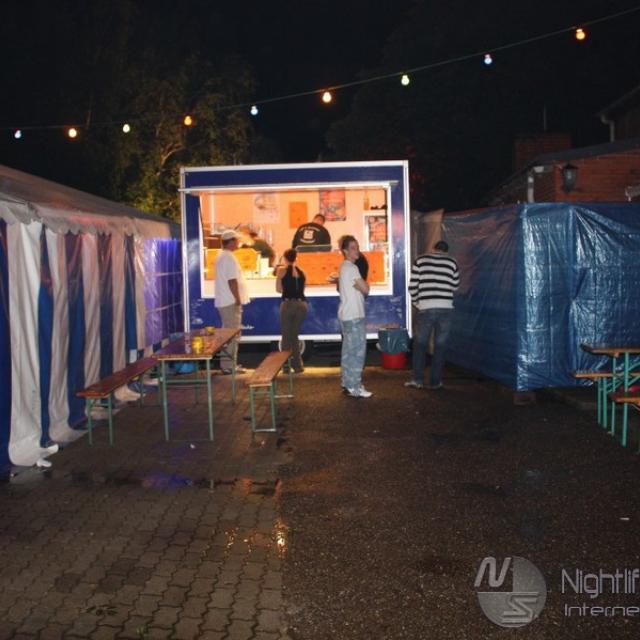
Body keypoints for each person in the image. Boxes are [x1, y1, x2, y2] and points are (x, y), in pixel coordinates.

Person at [405, 240, 460, 390]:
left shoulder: (420, 261)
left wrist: (418, 303)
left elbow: (412, 287)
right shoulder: (452, 262)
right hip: (446, 309)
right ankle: (435, 382)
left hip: (425, 309)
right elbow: (455, 286)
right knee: (440, 346)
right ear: (446, 251)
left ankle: (418, 380)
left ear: (433, 249)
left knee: (420, 345)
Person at [338, 235, 372, 398]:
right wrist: (363, 286)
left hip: (347, 314)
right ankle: (355, 386)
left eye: (357, 247)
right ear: (345, 251)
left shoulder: (344, 267)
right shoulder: (352, 268)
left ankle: (347, 383)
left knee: (348, 352)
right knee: (357, 353)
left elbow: (360, 287)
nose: (356, 250)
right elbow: (366, 289)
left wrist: (360, 286)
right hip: (355, 315)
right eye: (353, 248)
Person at [214, 230, 250, 373]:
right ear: (231, 241)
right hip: (230, 301)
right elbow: (232, 281)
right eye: (236, 240)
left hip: (225, 300)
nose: (238, 243)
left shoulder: (222, 255)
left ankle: (227, 364)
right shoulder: (228, 257)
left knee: (227, 334)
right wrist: (238, 299)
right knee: (233, 334)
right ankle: (229, 366)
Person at [275, 249, 308, 373]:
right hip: (302, 305)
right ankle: (298, 365)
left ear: (284, 258)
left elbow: (278, 289)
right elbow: (303, 289)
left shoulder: (281, 271)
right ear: (296, 258)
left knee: (286, 336)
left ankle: (286, 366)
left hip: (288, 305)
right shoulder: (302, 272)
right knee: (294, 335)